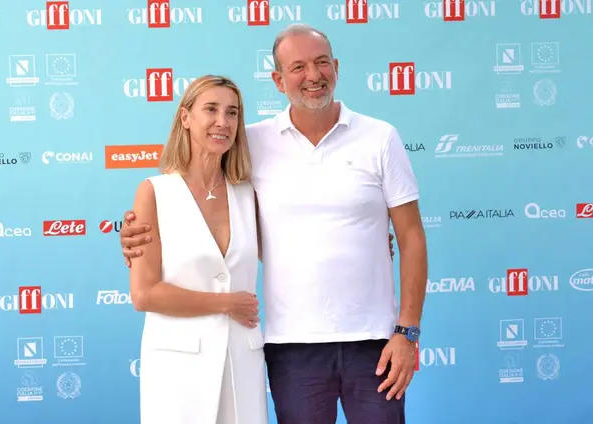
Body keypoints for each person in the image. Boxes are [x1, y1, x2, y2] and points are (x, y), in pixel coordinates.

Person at [121, 24, 427, 424]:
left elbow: (411, 237)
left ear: (336, 67)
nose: (313, 76)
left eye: (321, 63)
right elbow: (192, 207)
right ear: (278, 80)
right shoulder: (253, 143)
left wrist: (408, 333)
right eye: (298, 67)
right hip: (291, 345)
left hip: (374, 341)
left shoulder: (380, 137)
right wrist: (133, 235)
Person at [127, 75, 268, 424]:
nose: (223, 122)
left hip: (242, 361)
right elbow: (144, 295)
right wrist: (226, 303)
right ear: (185, 117)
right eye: (211, 109)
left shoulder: (248, 193)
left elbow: (290, 249)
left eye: (233, 112)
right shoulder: (154, 192)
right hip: (177, 366)